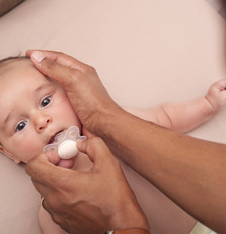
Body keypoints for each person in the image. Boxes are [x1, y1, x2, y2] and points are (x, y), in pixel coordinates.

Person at [24, 50, 226, 234]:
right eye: (20, 126)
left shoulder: (118, 126)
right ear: (9, 152)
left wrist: (207, 105)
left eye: (45, 102)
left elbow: (168, 118)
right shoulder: (53, 205)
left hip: (208, 221)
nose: (40, 121)